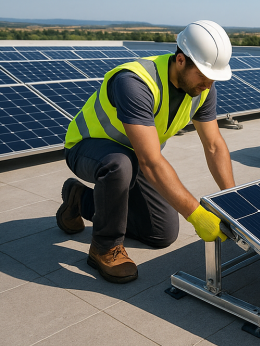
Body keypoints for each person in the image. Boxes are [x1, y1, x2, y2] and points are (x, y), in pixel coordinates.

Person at [57, 20, 236, 284]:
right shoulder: (135, 82)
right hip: (88, 148)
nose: (208, 85)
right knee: (120, 164)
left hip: (135, 157)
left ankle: (80, 199)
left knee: (161, 233)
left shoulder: (202, 89)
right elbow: (151, 161)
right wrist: (196, 214)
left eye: (213, 78)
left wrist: (232, 200)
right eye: (203, 75)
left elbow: (214, 144)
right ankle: (104, 247)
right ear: (180, 60)